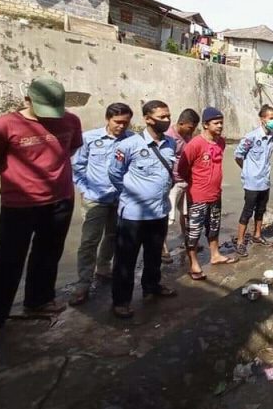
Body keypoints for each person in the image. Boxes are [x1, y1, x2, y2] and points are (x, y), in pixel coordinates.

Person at [0, 78, 82, 347]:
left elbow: (72, 149)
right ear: (27, 100)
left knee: (48, 253)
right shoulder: (4, 125)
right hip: (19, 203)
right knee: (7, 259)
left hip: (61, 199)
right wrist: (17, 179)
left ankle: (38, 300)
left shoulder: (71, 121)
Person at [108, 100, 178, 319]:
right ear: (148, 119)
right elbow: (114, 174)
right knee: (125, 260)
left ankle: (152, 286)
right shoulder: (129, 145)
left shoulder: (170, 144)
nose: (167, 121)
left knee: (154, 255)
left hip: (159, 211)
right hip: (133, 215)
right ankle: (121, 301)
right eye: (162, 117)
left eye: (168, 116)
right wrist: (130, 195)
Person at [69, 103, 134, 306]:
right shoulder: (89, 138)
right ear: (108, 119)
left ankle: (103, 267)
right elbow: (77, 166)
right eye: (118, 122)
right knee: (89, 240)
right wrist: (84, 189)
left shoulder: (133, 140)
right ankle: (83, 283)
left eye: (126, 122)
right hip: (94, 199)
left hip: (120, 198)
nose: (121, 126)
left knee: (113, 236)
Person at [177, 107, 237, 280]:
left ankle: (215, 255)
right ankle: (194, 264)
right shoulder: (195, 144)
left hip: (216, 194)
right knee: (194, 231)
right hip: (197, 196)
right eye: (216, 123)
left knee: (214, 227)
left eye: (221, 123)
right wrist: (196, 184)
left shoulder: (221, 142)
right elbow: (182, 169)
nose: (220, 126)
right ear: (205, 125)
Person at [233, 105, 273, 258]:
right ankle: (240, 241)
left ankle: (257, 235)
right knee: (247, 211)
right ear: (262, 119)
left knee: (261, 210)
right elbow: (238, 155)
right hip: (252, 182)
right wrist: (247, 171)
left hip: (265, 180)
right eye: (271, 118)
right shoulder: (251, 137)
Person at [161, 109, 200, 263]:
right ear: (181, 123)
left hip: (187, 181)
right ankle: (162, 248)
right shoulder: (169, 137)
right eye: (190, 127)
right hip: (172, 183)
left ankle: (187, 242)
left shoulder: (188, 135)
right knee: (167, 218)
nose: (192, 131)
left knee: (186, 214)